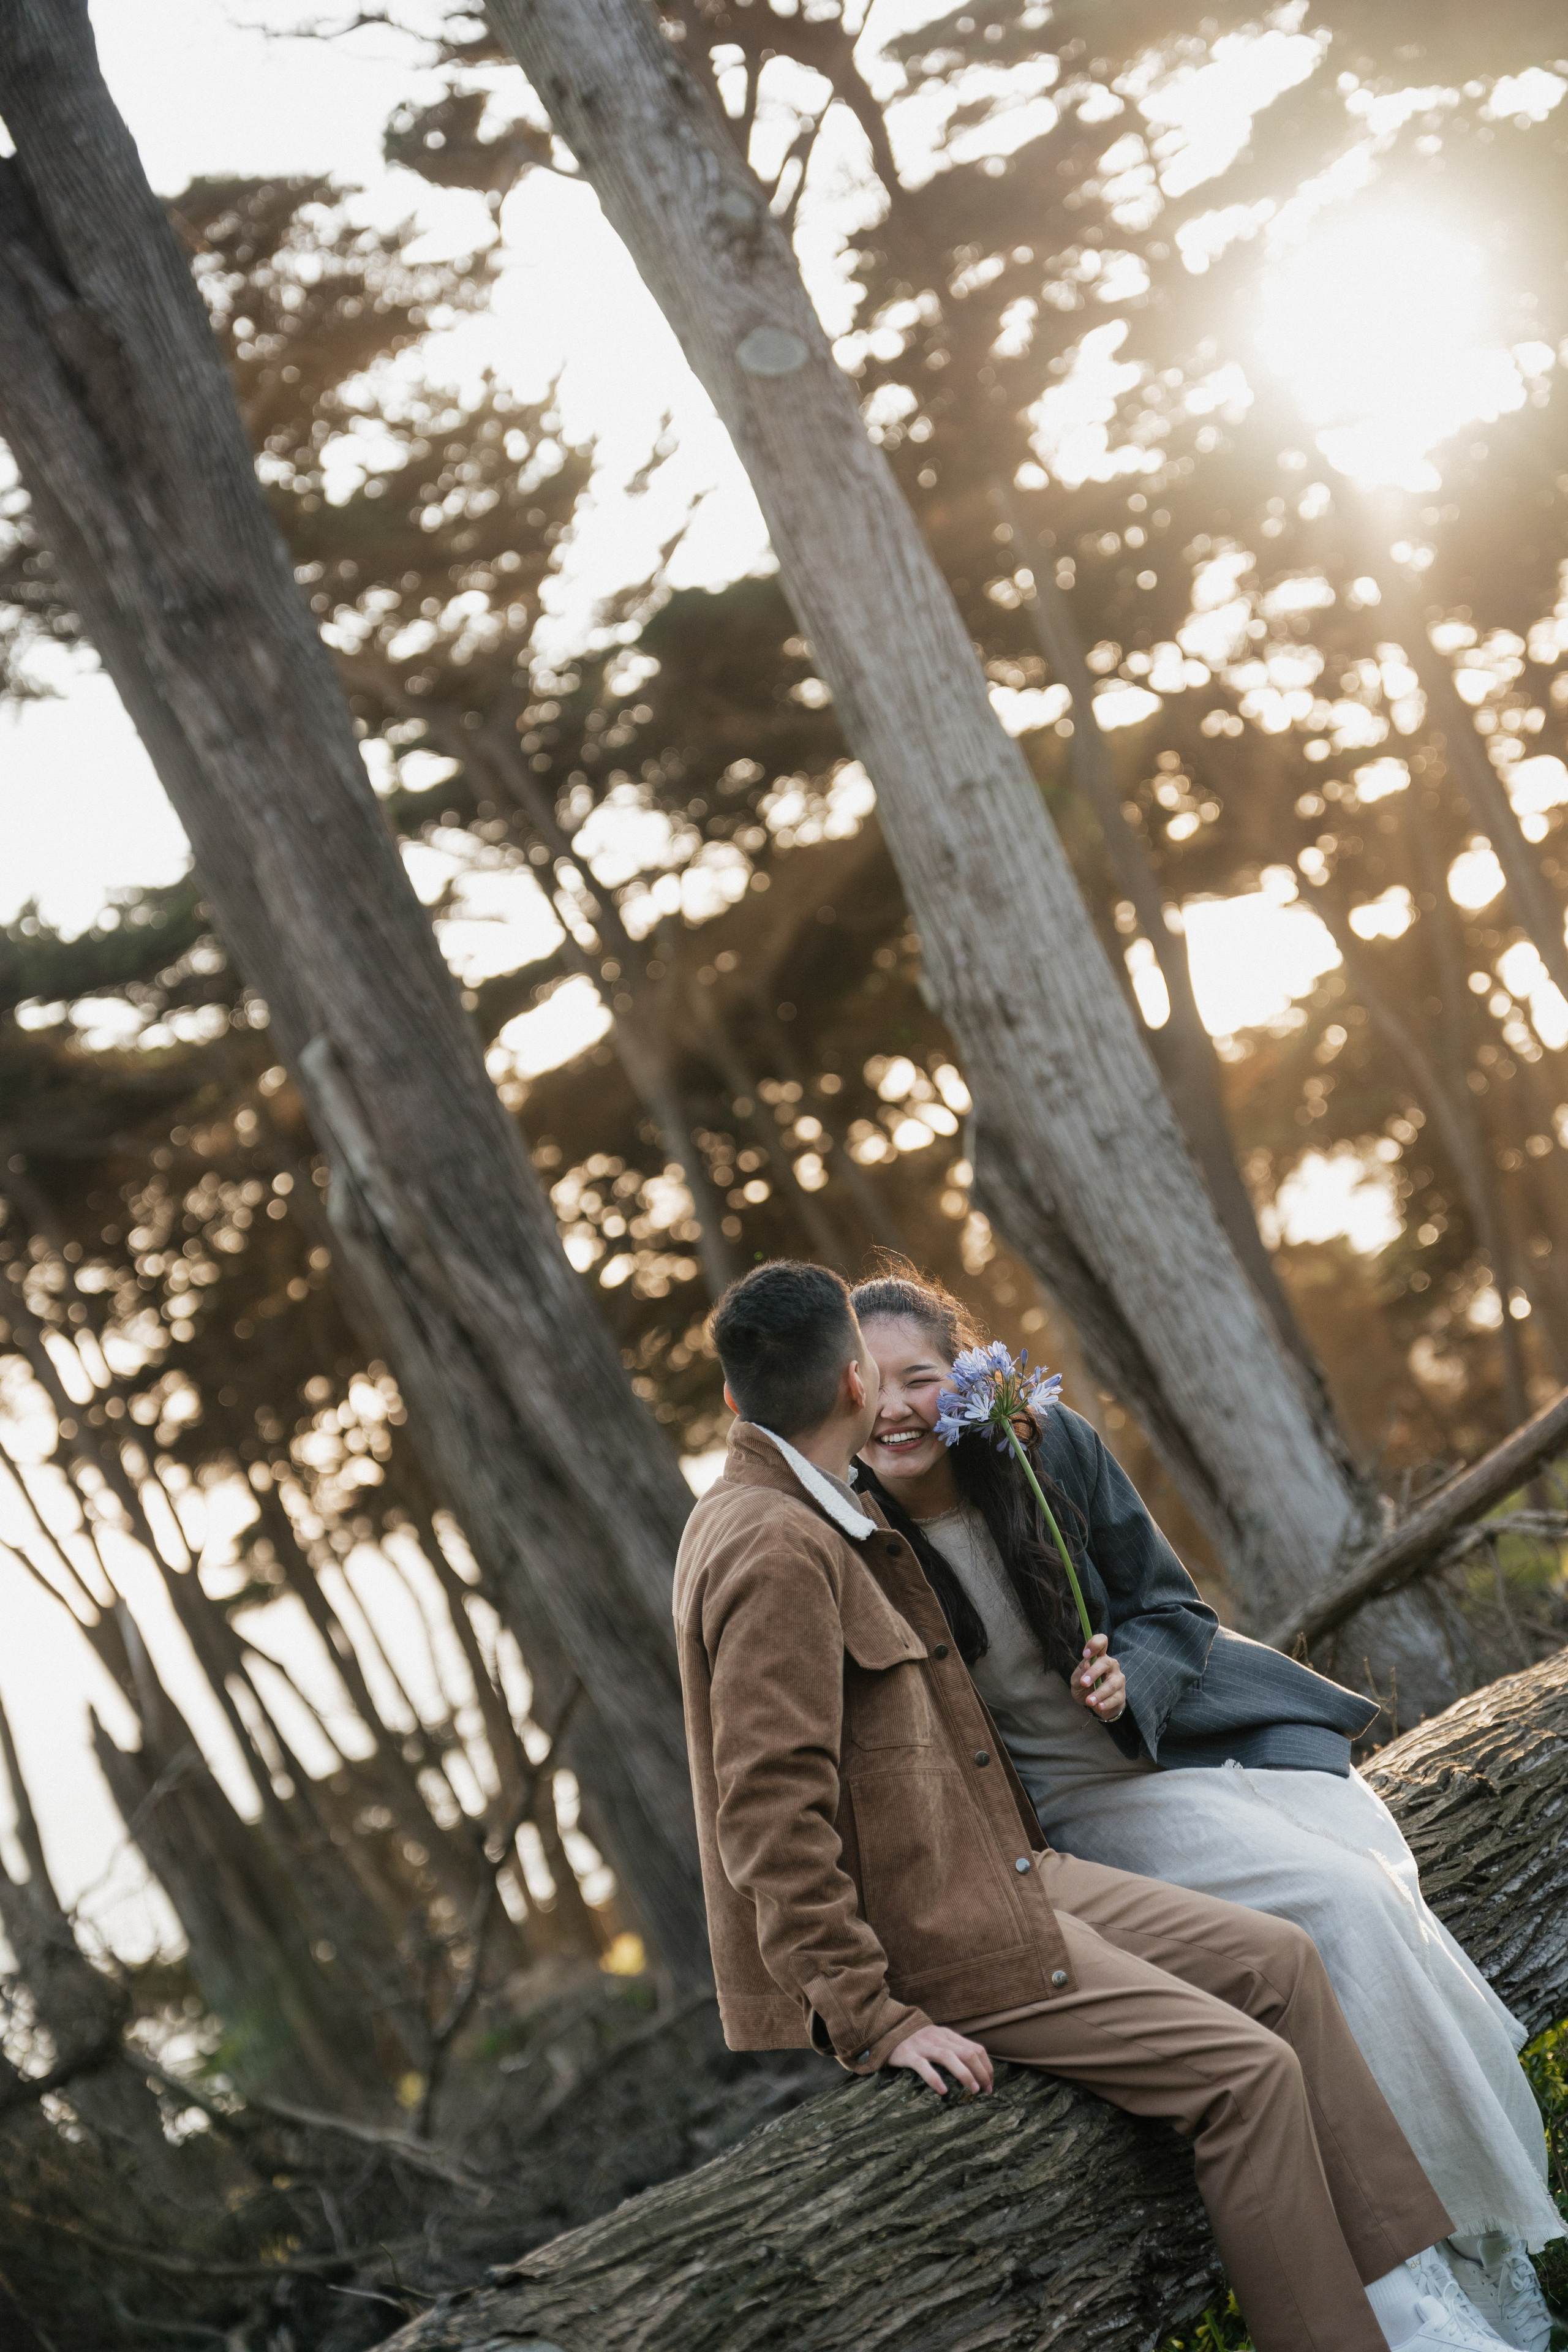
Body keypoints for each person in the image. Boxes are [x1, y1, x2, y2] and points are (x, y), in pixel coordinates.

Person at [676, 1257, 1510, 2352]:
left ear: (735, 1400)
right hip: (947, 1932)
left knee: (1284, 1963)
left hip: (1013, 1869)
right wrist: (872, 2017)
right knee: (1247, 2074)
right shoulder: (779, 1543)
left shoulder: (806, 1507)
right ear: (851, 1388)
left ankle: (1408, 2298)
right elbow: (767, 1815)